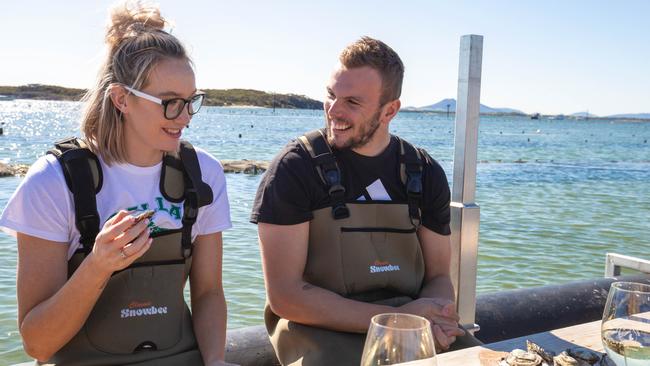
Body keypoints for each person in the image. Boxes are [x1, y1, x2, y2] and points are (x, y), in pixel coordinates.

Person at [0, 2, 236, 365]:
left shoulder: (203, 173)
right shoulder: (53, 181)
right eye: (170, 103)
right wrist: (98, 265)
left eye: (191, 102)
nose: (186, 117)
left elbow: (208, 294)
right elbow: (38, 344)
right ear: (122, 99)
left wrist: (216, 361)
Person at [251, 37, 481, 365]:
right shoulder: (294, 168)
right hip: (321, 331)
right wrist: (396, 320)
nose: (334, 110)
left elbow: (439, 277)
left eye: (352, 102)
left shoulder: (424, 172)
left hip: (414, 327)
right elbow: (286, 297)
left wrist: (439, 316)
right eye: (331, 95)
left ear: (390, 110)